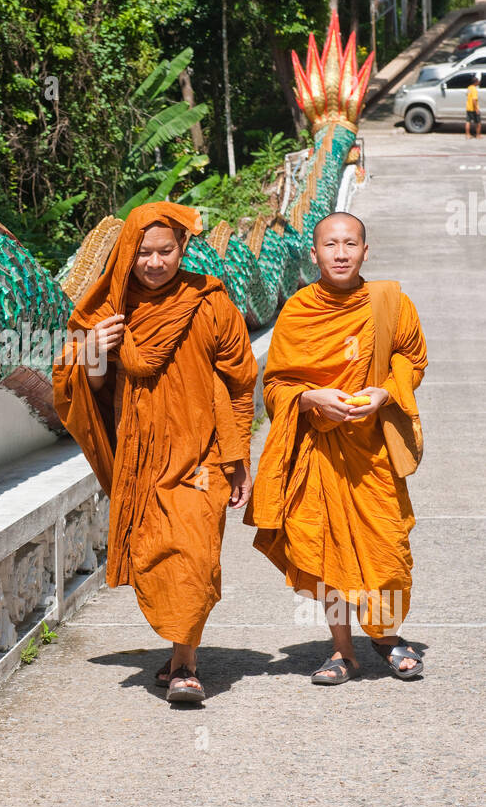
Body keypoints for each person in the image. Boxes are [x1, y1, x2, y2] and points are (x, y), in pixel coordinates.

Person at [52, 201, 257, 703]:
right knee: (158, 556)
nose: (155, 262)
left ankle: (186, 665)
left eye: (166, 250)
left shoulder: (209, 301)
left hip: (203, 453)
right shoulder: (109, 311)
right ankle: (178, 648)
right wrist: (96, 348)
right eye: (143, 252)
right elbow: (83, 390)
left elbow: (241, 381)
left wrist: (237, 459)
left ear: (182, 249)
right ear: (128, 253)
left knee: (195, 554)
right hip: (142, 459)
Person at [244, 211, 428, 684]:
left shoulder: (390, 302)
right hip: (318, 451)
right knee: (324, 552)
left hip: (373, 452)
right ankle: (342, 650)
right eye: (330, 245)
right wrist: (309, 398)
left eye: (350, 244)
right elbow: (277, 384)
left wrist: (385, 393)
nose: (341, 253)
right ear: (314, 254)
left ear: (366, 250)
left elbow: (412, 357)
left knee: (387, 547)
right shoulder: (299, 309)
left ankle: (386, 637)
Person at [465, 74, 481, 140]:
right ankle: (478, 135)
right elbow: (474, 100)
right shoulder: (474, 90)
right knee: (478, 123)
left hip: (468, 107)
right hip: (473, 108)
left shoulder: (469, 88)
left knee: (468, 122)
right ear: (475, 82)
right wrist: (476, 109)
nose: (479, 82)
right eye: (478, 81)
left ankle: (467, 135)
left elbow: (467, 95)